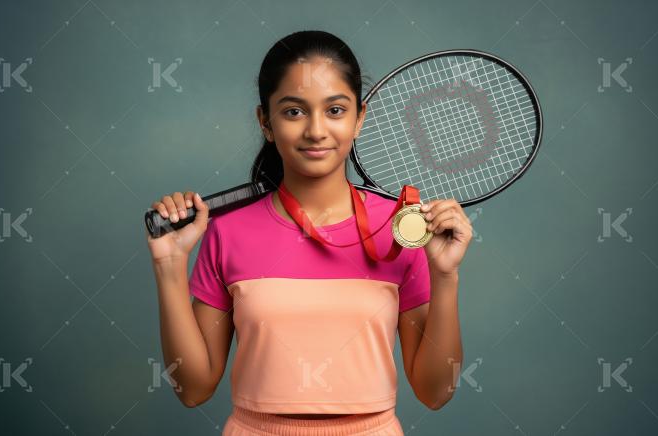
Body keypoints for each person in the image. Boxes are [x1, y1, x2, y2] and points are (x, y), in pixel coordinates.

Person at [147, 30, 471, 435]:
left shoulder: (404, 231)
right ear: (265, 122)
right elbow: (193, 389)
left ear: (359, 118)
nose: (316, 130)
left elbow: (435, 393)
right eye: (294, 112)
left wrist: (445, 275)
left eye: (335, 110)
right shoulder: (227, 231)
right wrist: (170, 265)